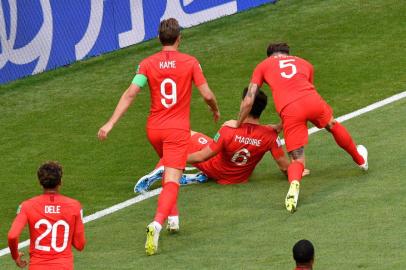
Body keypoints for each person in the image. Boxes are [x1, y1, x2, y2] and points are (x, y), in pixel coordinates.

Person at [97, 18, 220, 255]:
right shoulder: (190, 62)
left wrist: (110, 123)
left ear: (158, 39)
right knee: (173, 178)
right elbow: (206, 94)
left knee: (168, 170)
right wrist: (214, 108)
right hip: (176, 131)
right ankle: (157, 223)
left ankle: (173, 218)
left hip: (154, 129)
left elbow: (131, 93)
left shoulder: (146, 64)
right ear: (179, 38)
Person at [135, 88, 308, 231]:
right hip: (239, 177)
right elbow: (285, 167)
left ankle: (165, 167)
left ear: (246, 105)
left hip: (215, 167)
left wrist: (178, 158)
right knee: (205, 142)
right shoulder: (269, 136)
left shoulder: (228, 130)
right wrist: (299, 169)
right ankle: (195, 176)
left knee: (185, 135)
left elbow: (203, 156)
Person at [227, 43, 368, 213]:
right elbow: (303, 92)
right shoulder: (305, 63)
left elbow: (249, 100)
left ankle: (294, 185)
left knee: (297, 159)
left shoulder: (263, 66)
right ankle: (360, 161)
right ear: (288, 54)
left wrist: (238, 122)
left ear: (269, 56)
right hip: (312, 101)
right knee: (332, 124)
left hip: (291, 110)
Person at [7, 161, 86, 270]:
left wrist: (15, 256)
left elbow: (12, 236)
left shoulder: (27, 206)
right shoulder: (74, 206)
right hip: (64, 266)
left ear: (40, 182)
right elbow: (80, 245)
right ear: (60, 182)